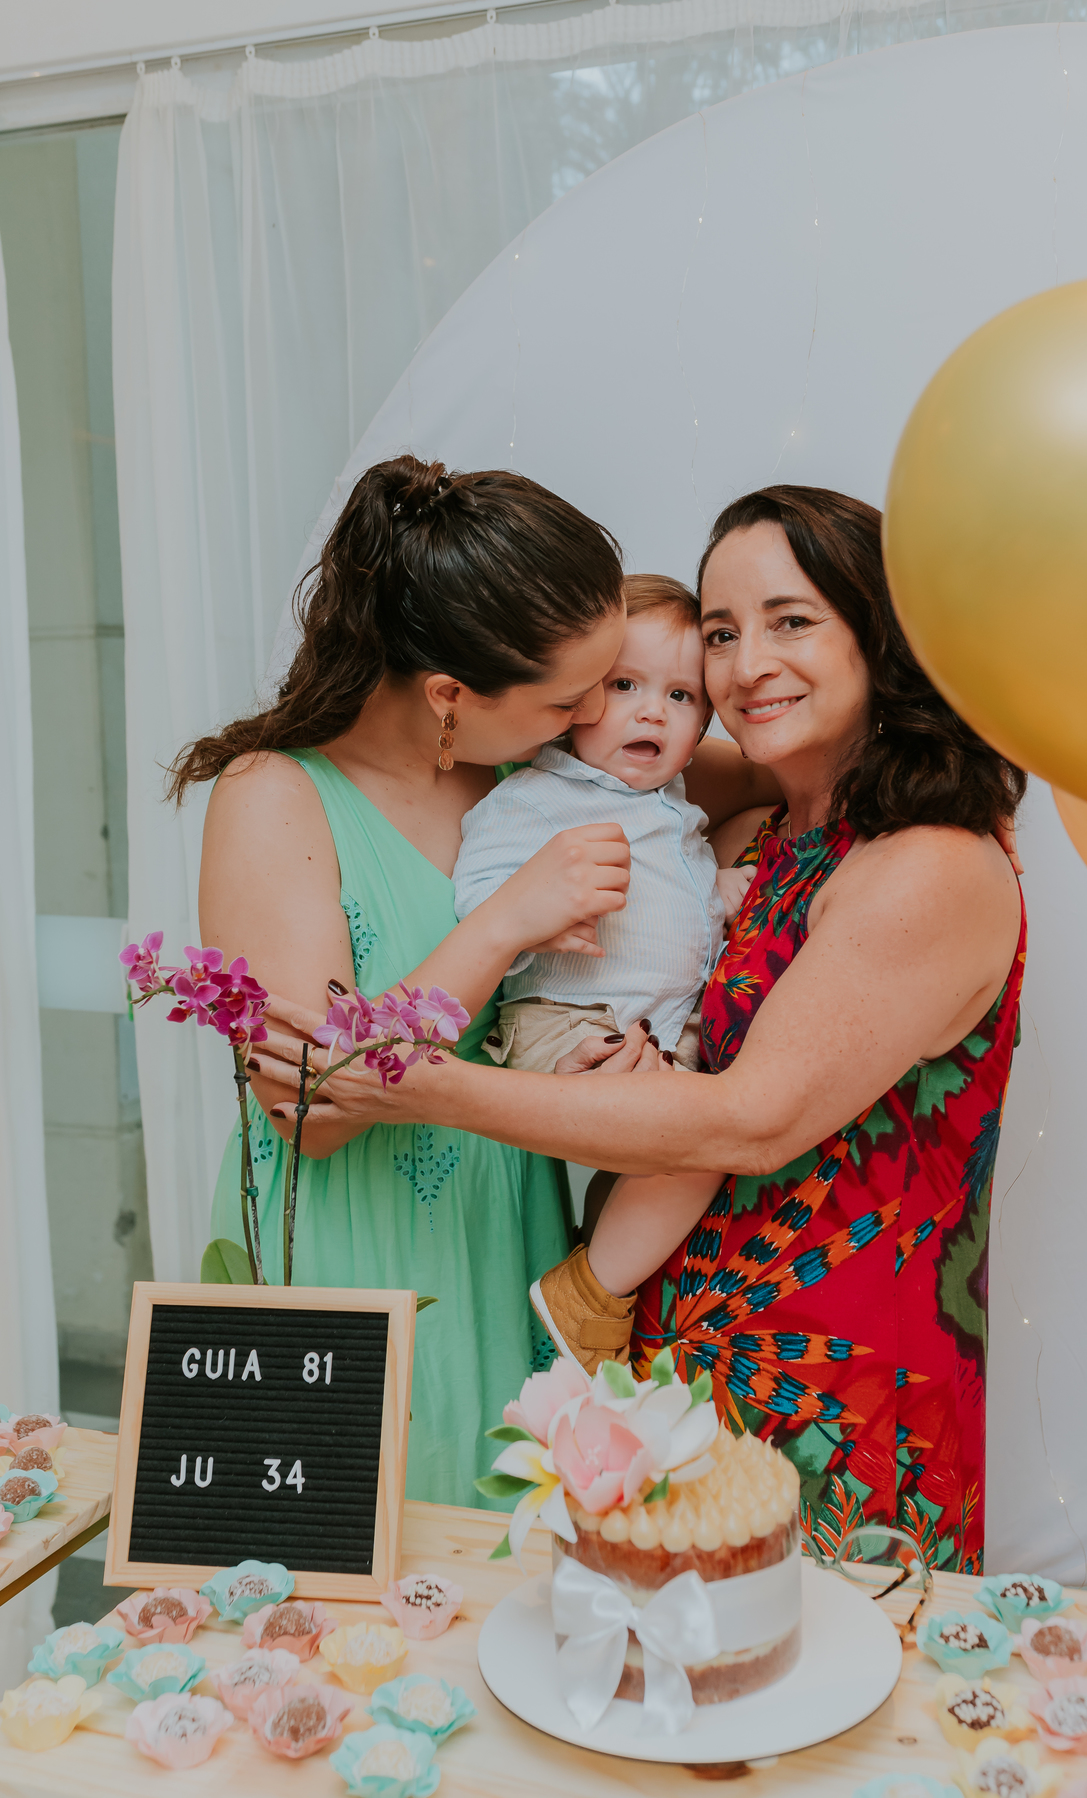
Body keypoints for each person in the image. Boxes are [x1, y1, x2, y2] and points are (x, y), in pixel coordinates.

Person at [258, 484, 1026, 1572]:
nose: (746, 663)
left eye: (792, 619)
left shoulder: (925, 864)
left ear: (885, 634)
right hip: (671, 1364)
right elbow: (618, 751)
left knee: (828, 1705)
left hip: (832, 1382)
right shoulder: (788, 823)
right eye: (723, 632)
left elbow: (751, 1121)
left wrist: (427, 1083)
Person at [170, 455, 779, 1509]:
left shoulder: (529, 767)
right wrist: (508, 920)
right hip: (357, 1253)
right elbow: (314, 1104)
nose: (602, 709)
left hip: (519, 1234)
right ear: (451, 697)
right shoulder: (273, 798)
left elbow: (777, 768)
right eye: (573, 692)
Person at [453, 575, 751, 1076]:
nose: (653, 712)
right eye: (625, 685)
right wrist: (535, 912)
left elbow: (665, 894)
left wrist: (712, 891)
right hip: (567, 1021)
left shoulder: (673, 804)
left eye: (680, 695)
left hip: (667, 1029)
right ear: (578, 698)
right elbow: (477, 907)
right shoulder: (536, 797)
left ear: (703, 726)